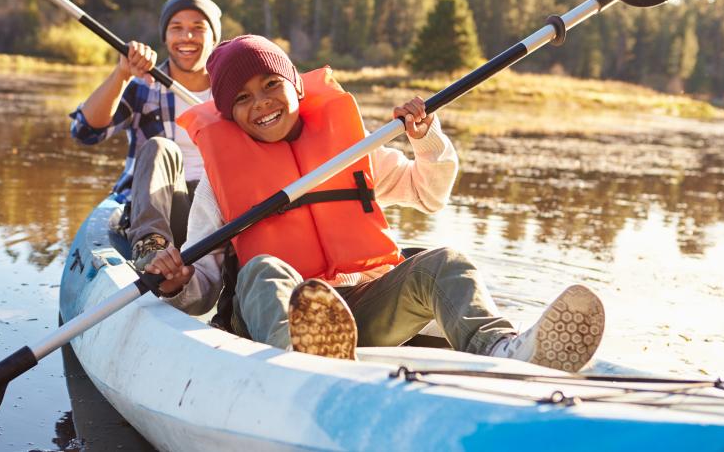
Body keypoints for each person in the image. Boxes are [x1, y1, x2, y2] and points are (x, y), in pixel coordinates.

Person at [144, 35, 605, 372]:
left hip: (361, 309)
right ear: (228, 115)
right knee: (263, 266)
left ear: (296, 87)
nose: (261, 103)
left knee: (445, 263)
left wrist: (424, 139)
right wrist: (178, 280)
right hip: (274, 319)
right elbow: (201, 290)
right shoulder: (217, 187)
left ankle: (503, 350)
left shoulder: (350, 153)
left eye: (270, 85)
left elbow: (429, 192)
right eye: (242, 99)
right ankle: (296, 364)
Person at [69, 0, 222, 273]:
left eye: (198, 28)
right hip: (164, 207)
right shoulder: (144, 86)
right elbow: (84, 132)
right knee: (160, 147)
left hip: (218, 213)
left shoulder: (232, 94)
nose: (186, 37)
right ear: (165, 37)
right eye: (177, 28)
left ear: (214, 38)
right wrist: (122, 74)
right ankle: (151, 246)